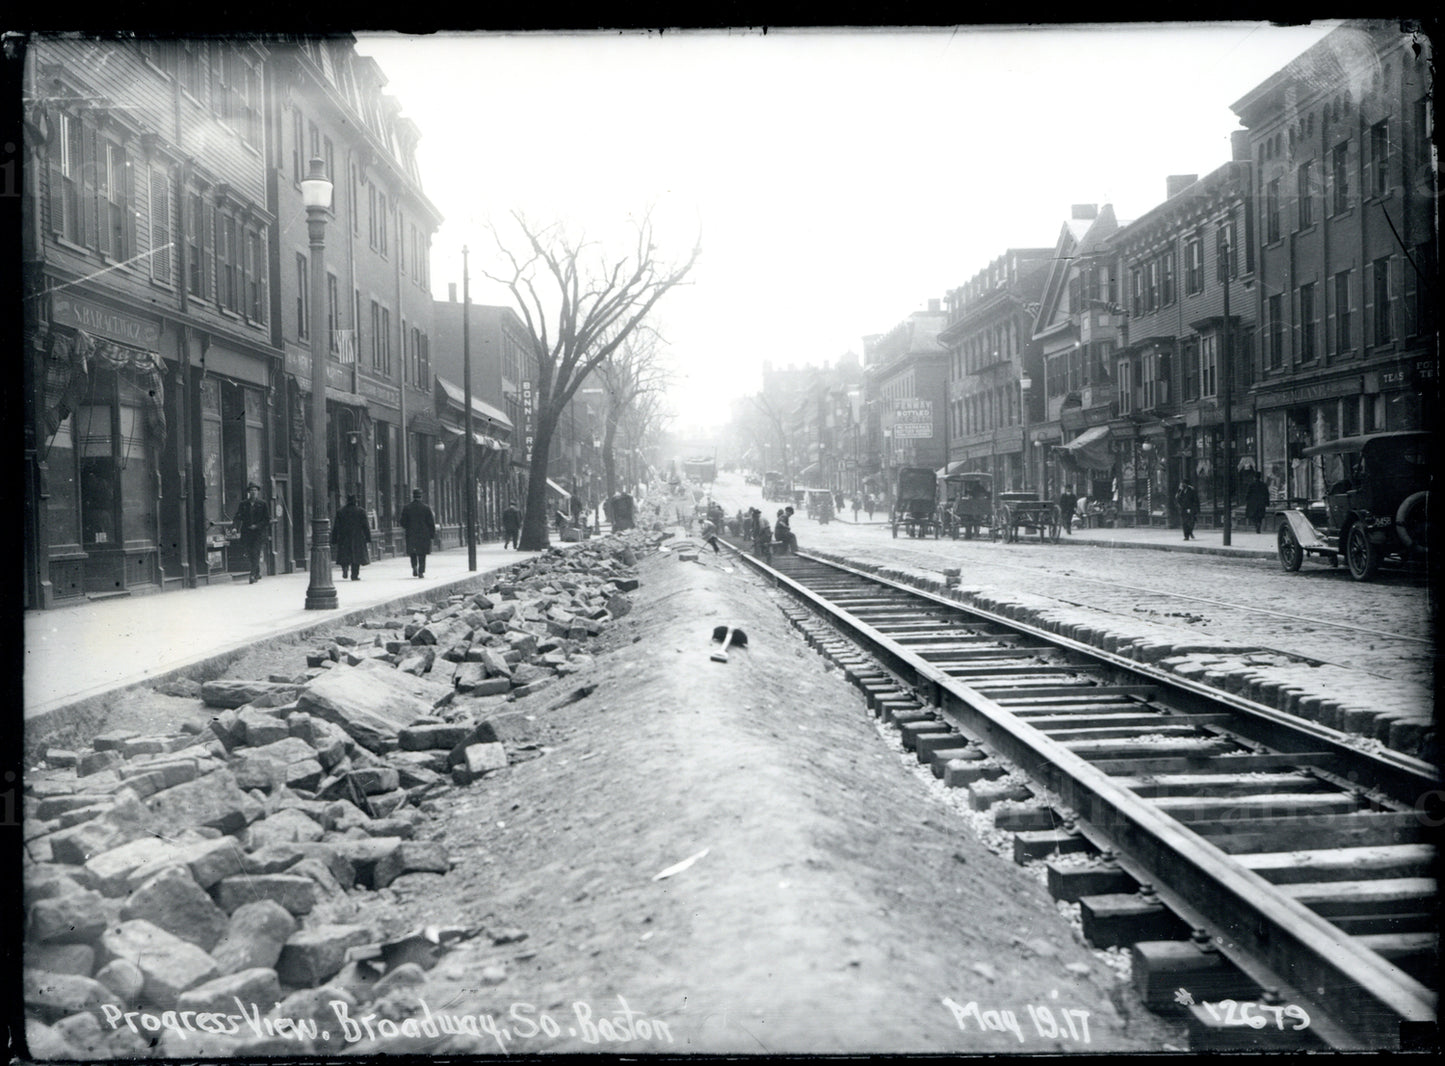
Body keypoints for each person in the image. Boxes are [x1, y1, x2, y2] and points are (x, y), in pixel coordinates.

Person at [232, 482, 270, 584]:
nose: (253, 492)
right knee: (249, 553)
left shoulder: (262, 504)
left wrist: (257, 526)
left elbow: (267, 519)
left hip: (258, 533)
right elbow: (238, 516)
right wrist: (235, 528)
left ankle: (252, 574)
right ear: (249, 492)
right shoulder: (243, 504)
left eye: (255, 490)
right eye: (251, 490)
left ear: (258, 492)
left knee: (255, 552)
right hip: (247, 532)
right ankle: (257, 572)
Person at [400, 488, 437, 577]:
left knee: (413, 552)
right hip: (423, 534)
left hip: (411, 533)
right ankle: (421, 571)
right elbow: (431, 523)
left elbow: (402, 522)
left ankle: (414, 566)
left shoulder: (407, 508)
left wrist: (408, 527)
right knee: (422, 553)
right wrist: (431, 535)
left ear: (413, 496)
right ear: (421, 496)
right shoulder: (426, 508)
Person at [333, 494, 371, 581]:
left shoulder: (340, 511)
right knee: (356, 557)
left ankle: (345, 568)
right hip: (358, 537)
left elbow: (336, 526)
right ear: (356, 501)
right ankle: (354, 575)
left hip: (344, 537)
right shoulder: (361, 511)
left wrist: (334, 538)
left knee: (344, 554)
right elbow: (366, 526)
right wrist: (368, 538)